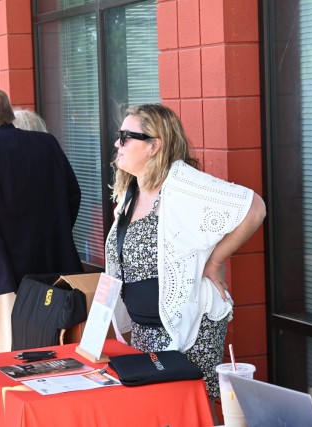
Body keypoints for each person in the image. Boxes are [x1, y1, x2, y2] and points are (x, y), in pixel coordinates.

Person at [105, 104, 266, 416]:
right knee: (154, 412)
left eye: (126, 137)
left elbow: (254, 208)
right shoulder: (131, 192)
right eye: (118, 136)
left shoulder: (183, 184)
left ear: (155, 145)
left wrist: (216, 260)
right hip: (145, 328)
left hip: (191, 326)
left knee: (190, 410)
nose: (117, 143)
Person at [0, 87, 83, 354]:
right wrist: (57, 231)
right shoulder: (46, 143)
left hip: (4, 266)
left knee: (7, 347)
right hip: (54, 258)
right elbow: (73, 193)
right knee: (53, 343)